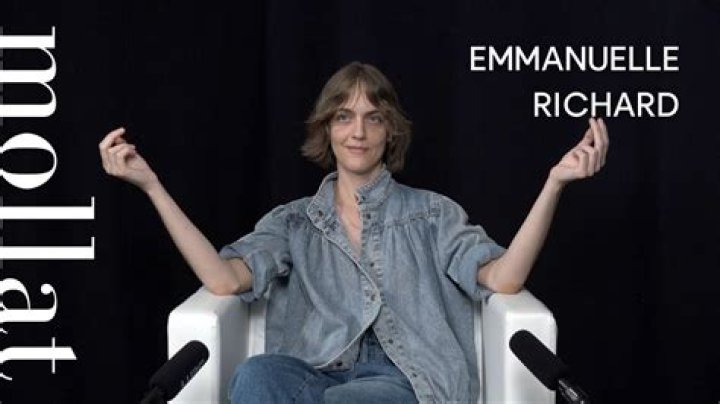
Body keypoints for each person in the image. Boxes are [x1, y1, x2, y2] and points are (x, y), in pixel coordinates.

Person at [99, 62, 609, 404]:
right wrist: (151, 186)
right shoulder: (293, 220)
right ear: (327, 128)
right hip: (316, 371)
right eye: (344, 117)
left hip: (405, 380)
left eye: (373, 118)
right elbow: (224, 280)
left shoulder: (431, 213)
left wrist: (554, 184)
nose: (358, 132)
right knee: (256, 376)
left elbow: (504, 279)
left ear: (391, 130)